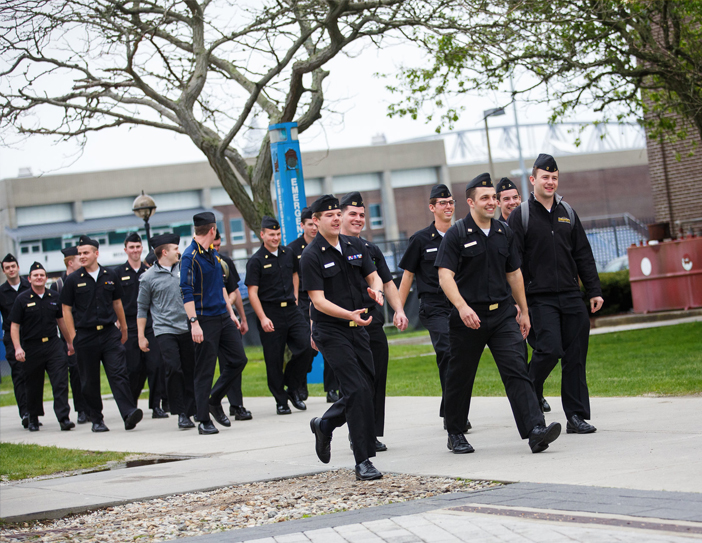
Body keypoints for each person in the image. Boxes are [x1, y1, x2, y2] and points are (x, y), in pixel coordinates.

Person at [436, 173, 561, 454]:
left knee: (517, 370)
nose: (492, 202)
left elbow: (514, 274)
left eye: (494, 197)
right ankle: (455, 431)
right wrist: (462, 307)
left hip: (503, 315)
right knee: (460, 375)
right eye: (485, 198)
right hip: (468, 318)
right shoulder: (456, 234)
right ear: (470, 202)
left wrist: (524, 311)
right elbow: (445, 276)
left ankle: (534, 431)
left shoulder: (505, 232)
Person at [508, 154, 603, 434]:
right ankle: (529, 398)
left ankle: (576, 416)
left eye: (554, 178)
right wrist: (517, 301)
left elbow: (583, 254)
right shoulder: (521, 215)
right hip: (539, 297)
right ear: (533, 179)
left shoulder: (568, 212)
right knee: (549, 349)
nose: (550, 182)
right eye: (545, 177)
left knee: (575, 356)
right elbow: (511, 263)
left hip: (572, 296)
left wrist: (593, 289)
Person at [303, 194, 386, 481]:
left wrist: (377, 290)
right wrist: (349, 314)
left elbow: (373, 276)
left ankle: (325, 424)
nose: (336, 219)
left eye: (338, 214)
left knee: (365, 388)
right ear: (316, 221)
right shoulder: (311, 255)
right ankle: (363, 461)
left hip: (358, 328)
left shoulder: (356, 245)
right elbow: (318, 300)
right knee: (357, 390)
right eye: (329, 215)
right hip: (331, 330)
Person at [398, 184, 471, 432]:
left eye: (451, 202)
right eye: (443, 203)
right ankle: (455, 414)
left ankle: (452, 408)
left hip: (460, 304)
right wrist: (399, 309)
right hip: (434, 306)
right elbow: (407, 277)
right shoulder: (420, 240)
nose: (448, 206)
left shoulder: (462, 234)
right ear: (432, 207)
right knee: (449, 352)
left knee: (460, 358)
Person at [339, 192, 409, 451]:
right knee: (357, 383)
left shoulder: (370, 249)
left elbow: (388, 283)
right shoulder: (331, 249)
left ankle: (370, 434)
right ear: (340, 216)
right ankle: (355, 431)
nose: (358, 219)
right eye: (352, 214)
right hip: (344, 326)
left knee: (377, 378)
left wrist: (398, 310)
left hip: (372, 321)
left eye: (361, 215)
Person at [60, 235, 143, 432]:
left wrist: (123, 328)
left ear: (96, 253)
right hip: (85, 336)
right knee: (89, 380)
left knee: (119, 373)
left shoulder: (110, 275)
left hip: (109, 333)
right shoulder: (72, 280)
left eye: (85, 253)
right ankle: (96, 418)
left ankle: (129, 412)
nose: (82, 256)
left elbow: (117, 303)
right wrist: (73, 337)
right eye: (80, 253)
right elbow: (66, 310)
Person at [180, 212, 248, 435]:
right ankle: (203, 420)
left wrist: (231, 314)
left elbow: (220, 285)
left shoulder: (212, 254)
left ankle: (215, 399)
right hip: (204, 319)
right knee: (205, 370)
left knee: (238, 360)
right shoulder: (189, 256)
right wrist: (194, 323)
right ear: (213, 230)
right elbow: (186, 291)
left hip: (222, 315)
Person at [245, 216, 315, 415]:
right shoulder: (256, 261)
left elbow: (295, 274)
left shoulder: (288, 253)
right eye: (271, 234)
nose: (275, 238)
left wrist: (294, 295)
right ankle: (281, 400)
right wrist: (263, 318)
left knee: (307, 347)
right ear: (262, 235)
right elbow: (252, 292)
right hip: (270, 312)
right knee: (274, 359)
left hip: (291, 310)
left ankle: (292, 388)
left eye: (278, 234)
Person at [496, 178, 551, 414]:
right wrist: (513, 303)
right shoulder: (496, 231)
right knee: (519, 352)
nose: (512, 202)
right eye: (506, 199)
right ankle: (531, 398)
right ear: (498, 203)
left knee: (546, 347)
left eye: (515, 197)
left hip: (537, 295)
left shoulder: (531, 222)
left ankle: (534, 389)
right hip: (512, 302)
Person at [137, 233, 196, 430]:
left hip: (187, 327)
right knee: (173, 368)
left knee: (190, 369)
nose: (179, 251)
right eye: (175, 248)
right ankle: (181, 412)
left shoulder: (185, 269)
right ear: (164, 252)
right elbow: (141, 308)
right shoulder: (147, 278)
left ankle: (192, 409)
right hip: (164, 330)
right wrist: (141, 336)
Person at [10, 262, 74, 432]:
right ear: (29, 279)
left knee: (60, 382)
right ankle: (33, 418)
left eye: (42, 275)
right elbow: (14, 326)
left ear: (46, 278)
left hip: (53, 345)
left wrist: (69, 343)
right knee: (33, 385)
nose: (39, 278)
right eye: (35, 275)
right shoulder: (21, 299)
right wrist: (17, 348)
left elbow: (61, 321)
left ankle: (63, 418)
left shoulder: (54, 296)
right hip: (32, 347)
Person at [288, 207, 340, 403]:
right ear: (302, 225)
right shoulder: (292, 249)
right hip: (302, 302)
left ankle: (332, 389)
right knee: (307, 347)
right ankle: (300, 381)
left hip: (326, 299)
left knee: (330, 342)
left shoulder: (326, 244)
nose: (313, 228)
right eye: (309, 225)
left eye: (315, 224)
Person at [114, 232, 167, 419]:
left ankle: (156, 405)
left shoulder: (150, 271)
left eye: (138, 247)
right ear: (125, 249)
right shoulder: (118, 273)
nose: (135, 250)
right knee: (133, 368)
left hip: (150, 323)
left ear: (142, 248)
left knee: (155, 365)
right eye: (131, 247)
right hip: (129, 324)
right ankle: (131, 405)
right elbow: (114, 300)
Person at [213, 231, 252, 421]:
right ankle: (206, 403)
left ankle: (236, 405)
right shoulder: (196, 262)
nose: (217, 249)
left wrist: (243, 318)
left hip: (229, 319)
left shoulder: (225, 261)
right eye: (214, 245)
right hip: (208, 320)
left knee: (235, 361)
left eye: (219, 245)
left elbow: (234, 290)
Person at [51, 246, 89, 424]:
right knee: (74, 371)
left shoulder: (85, 279)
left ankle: (91, 407)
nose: (82, 260)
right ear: (70, 262)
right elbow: (58, 314)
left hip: (86, 330)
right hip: (68, 335)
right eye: (78, 258)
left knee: (88, 370)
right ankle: (81, 409)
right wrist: (67, 340)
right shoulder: (58, 285)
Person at [0, 253, 30, 427]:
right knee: (19, 374)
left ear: (18, 267)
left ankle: (34, 412)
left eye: (13, 266)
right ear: (4, 271)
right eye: (7, 268)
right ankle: (25, 412)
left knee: (33, 375)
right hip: (12, 339)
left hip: (31, 335)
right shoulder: (1, 292)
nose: (11, 270)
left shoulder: (29, 286)